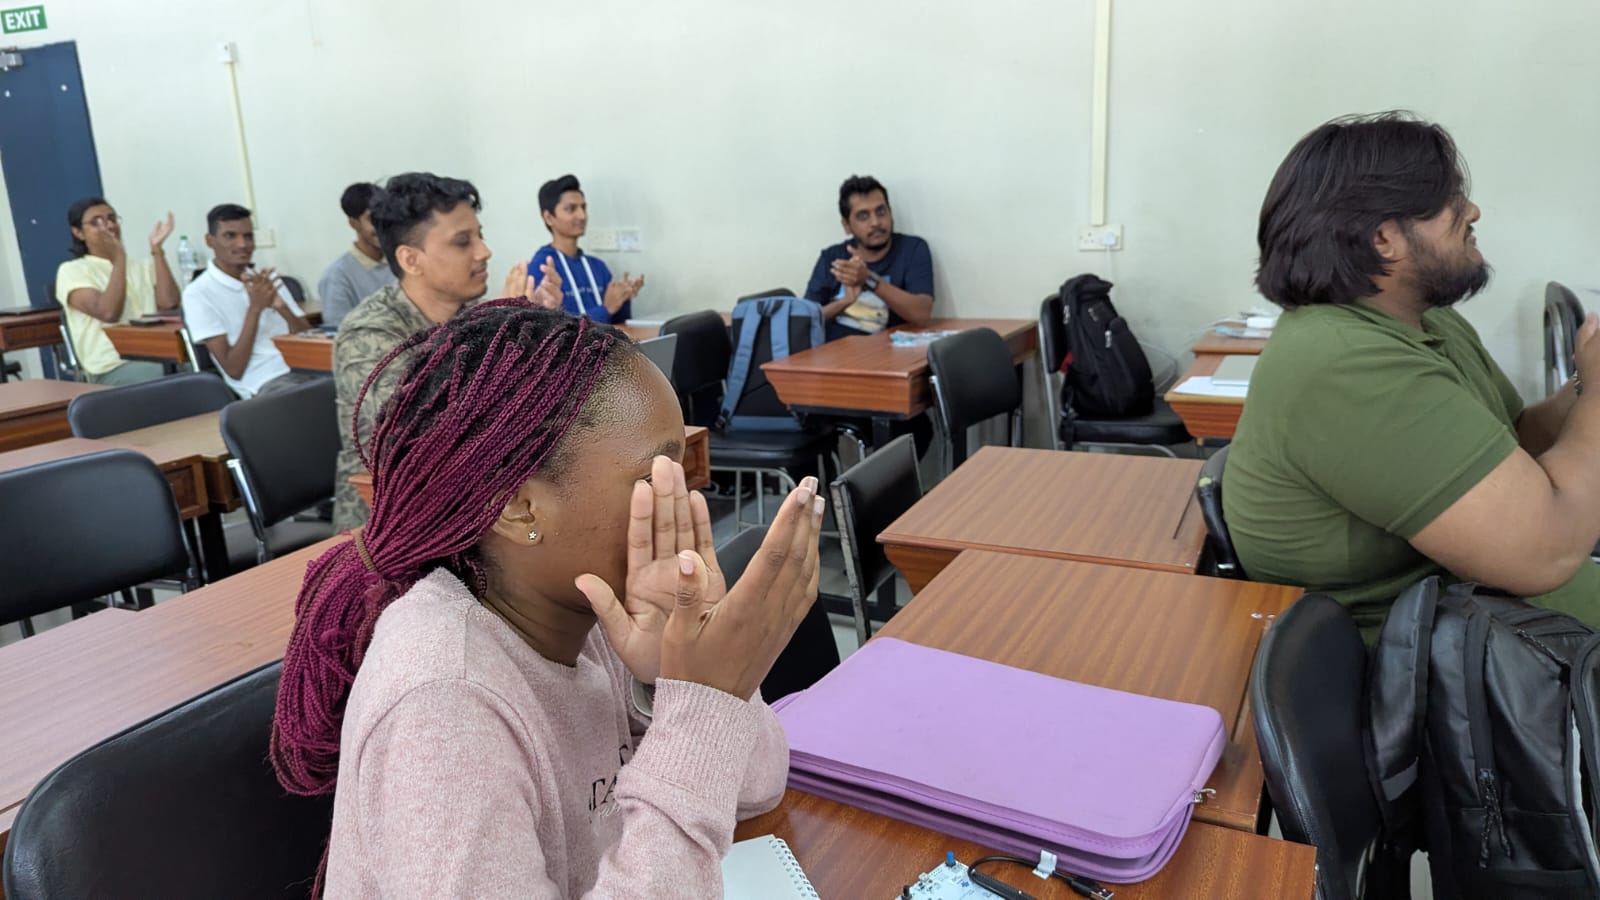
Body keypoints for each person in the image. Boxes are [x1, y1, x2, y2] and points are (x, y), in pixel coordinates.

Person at [272, 302, 824, 896]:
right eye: (654, 475)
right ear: (518, 508)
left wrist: (676, 680)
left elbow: (756, 788)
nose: (685, 500)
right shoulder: (442, 703)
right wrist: (704, 709)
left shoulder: (594, 605)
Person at [1226, 112, 1600, 636]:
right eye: (1449, 198)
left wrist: (1583, 384)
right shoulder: (1347, 364)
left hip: (1494, 619)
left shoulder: (1423, 320)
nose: (1473, 211)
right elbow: (1544, 555)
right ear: (1384, 239)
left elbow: (1512, 439)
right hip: (1447, 660)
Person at [332, 172, 562, 530]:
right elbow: (430, 438)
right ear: (411, 260)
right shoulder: (369, 333)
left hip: (476, 500)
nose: (484, 252)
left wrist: (544, 328)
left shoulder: (470, 314)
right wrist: (504, 335)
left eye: (480, 236)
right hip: (390, 523)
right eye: (462, 242)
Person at [182, 203, 315, 398]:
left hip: (306, 368)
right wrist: (255, 309)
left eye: (248, 236)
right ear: (210, 241)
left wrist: (282, 308)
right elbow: (233, 369)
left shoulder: (265, 279)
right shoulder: (197, 293)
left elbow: (309, 339)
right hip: (267, 382)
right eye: (230, 236)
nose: (242, 244)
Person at [53, 197, 181, 385]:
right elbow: (108, 313)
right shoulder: (73, 271)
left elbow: (169, 304)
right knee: (176, 379)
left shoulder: (142, 266)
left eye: (112, 218)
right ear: (79, 233)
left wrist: (157, 250)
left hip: (158, 354)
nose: (109, 226)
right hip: (112, 366)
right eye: (96, 222)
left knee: (201, 369)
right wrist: (119, 257)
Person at [804, 176, 935, 341]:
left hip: (886, 352)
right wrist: (844, 302)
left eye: (881, 212)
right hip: (834, 351)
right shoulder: (832, 258)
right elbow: (805, 321)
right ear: (846, 225)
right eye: (863, 216)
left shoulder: (912, 249)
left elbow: (921, 316)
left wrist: (868, 279)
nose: (875, 222)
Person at [528, 174, 642, 325]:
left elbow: (618, 323)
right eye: (571, 209)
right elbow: (556, 330)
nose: (582, 216)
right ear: (549, 217)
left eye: (583, 207)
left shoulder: (598, 266)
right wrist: (605, 309)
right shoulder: (542, 267)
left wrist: (623, 297)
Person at [316, 182, 396, 329]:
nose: (381, 226)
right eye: (373, 219)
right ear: (354, 224)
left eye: (385, 217)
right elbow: (337, 332)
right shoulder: (337, 276)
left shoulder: (402, 262)